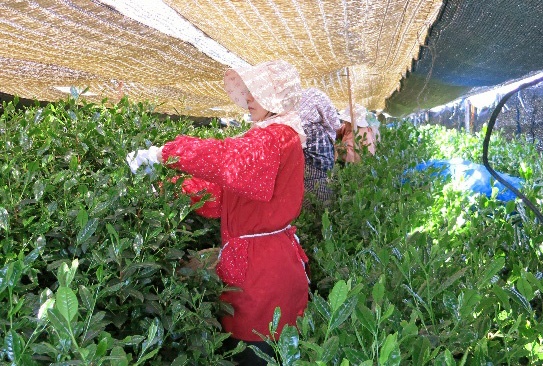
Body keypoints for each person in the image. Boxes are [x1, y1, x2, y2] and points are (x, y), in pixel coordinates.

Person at [126, 60, 309, 365]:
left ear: (276, 96)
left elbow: (226, 160)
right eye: (248, 92)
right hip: (266, 261)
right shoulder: (275, 135)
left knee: (257, 347)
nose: (248, 99)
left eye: (257, 92)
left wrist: (164, 153)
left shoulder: (275, 137)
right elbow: (222, 196)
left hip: (262, 271)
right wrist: (166, 186)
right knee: (262, 345)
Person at [298, 87, 341, 206]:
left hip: (300, 188)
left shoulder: (297, 128)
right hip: (317, 189)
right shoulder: (316, 130)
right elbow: (323, 164)